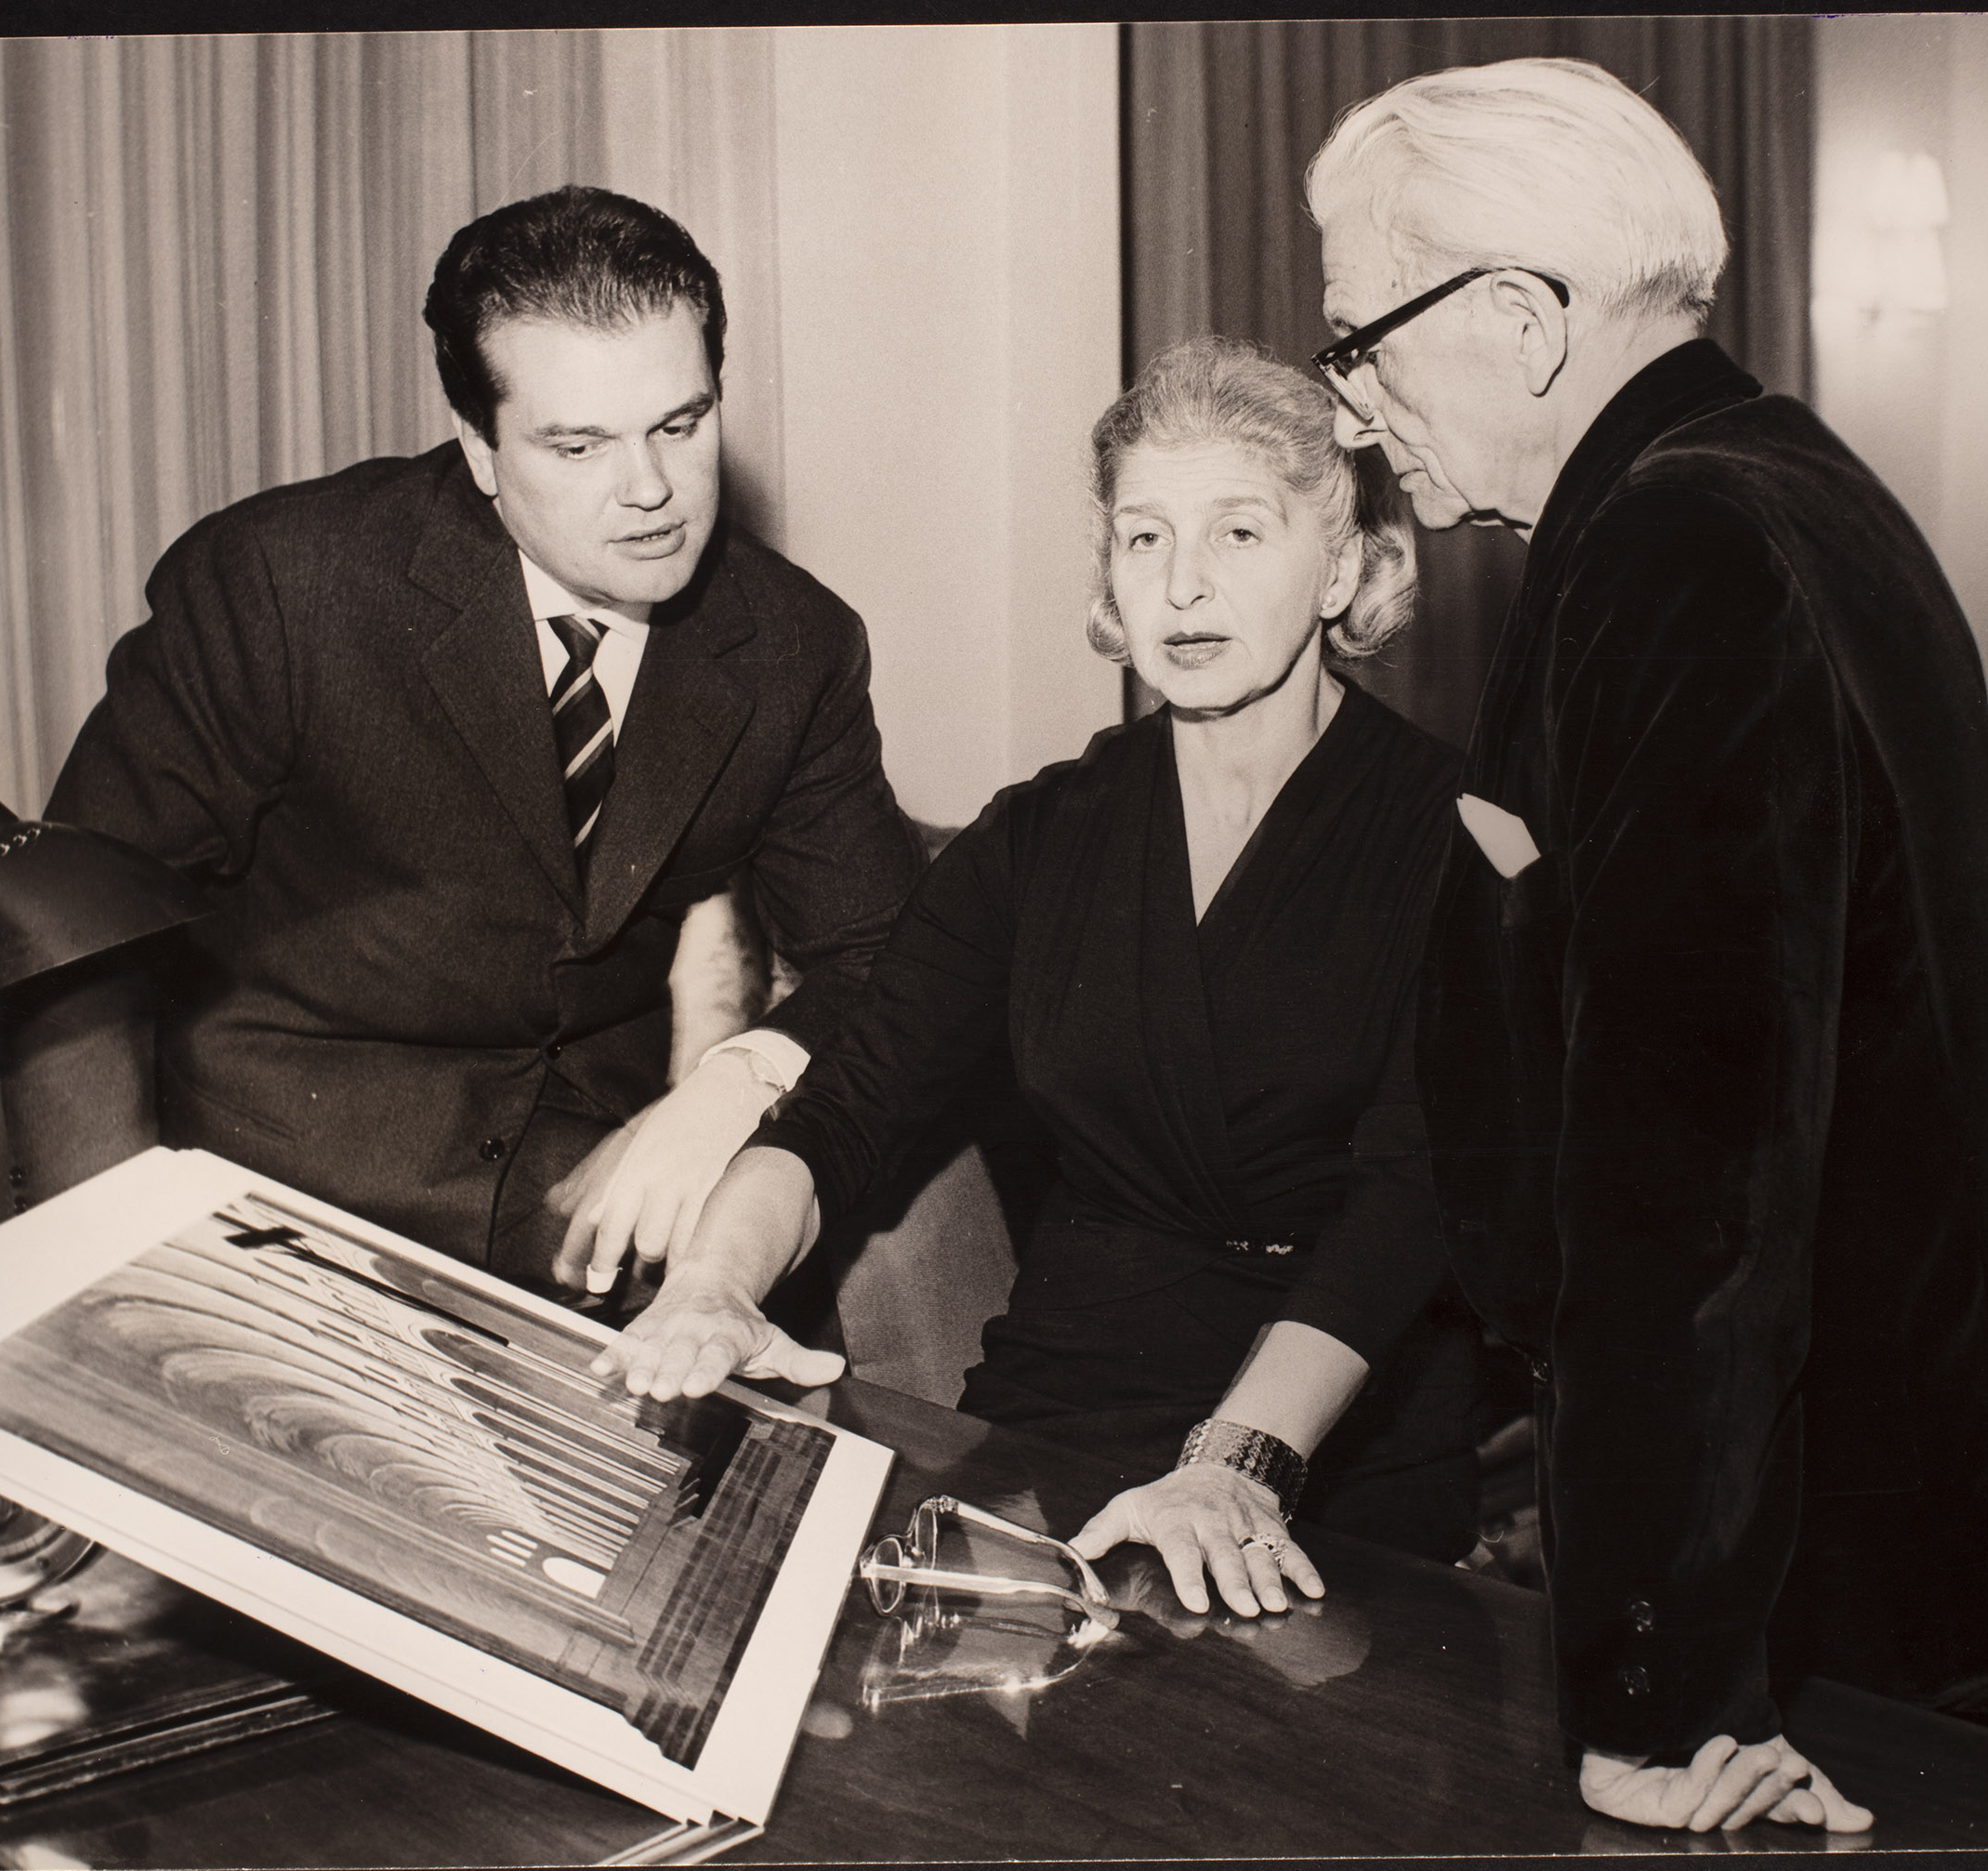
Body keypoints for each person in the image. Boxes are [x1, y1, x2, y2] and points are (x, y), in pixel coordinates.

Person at [1303, 58, 1988, 1835]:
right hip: (1879, 1533)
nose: (1350, 410)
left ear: (1521, 320)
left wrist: (1659, 1695)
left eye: (1357, 341)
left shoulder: (1675, 548)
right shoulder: (1782, 479)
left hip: (1813, 1610)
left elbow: (1695, 1186)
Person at [593, 336, 1486, 1613]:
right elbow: (850, 1104)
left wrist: (1234, 1463)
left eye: (1238, 533)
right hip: (1071, 1391)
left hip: (1337, 1425)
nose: (1182, 584)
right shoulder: (1039, 835)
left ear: (1340, 564)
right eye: (1143, 537)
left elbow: (1414, 1198)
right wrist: (713, 1284)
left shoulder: (1463, 836)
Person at [0, 186, 925, 1290]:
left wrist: (738, 1080)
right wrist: (101, 1265)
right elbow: (75, 934)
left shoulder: (793, 643)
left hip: (586, 1201)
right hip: (272, 1197)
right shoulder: (282, 586)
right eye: (577, 445)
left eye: (680, 425)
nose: (651, 490)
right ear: (480, 448)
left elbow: (890, 954)